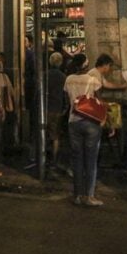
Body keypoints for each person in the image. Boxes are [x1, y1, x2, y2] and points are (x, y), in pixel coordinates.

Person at [64, 53, 104, 207]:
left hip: (73, 121)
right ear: (85, 65)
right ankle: (90, 196)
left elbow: (66, 99)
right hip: (90, 122)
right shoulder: (93, 81)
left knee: (77, 160)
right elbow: (99, 101)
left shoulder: (68, 79)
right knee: (91, 160)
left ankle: (77, 195)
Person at [44, 51, 68, 169]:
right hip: (57, 108)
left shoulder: (45, 75)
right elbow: (65, 95)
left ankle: (44, 157)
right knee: (55, 136)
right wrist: (65, 108)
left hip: (46, 108)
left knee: (44, 133)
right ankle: (53, 159)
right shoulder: (63, 77)